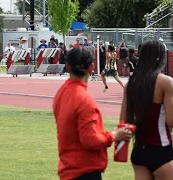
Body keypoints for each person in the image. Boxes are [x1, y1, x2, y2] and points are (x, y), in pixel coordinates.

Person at [53, 47, 133, 180]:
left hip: (67, 168)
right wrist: (114, 135)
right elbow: (91, 140)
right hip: (85, 171)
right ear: (91, 67)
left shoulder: (61, 93)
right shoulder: (84, 99)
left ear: (67, 67)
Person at [120, 40, 173, 180]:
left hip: (138, 151)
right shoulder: (165, 82)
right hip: (160, 150)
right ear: (160, 58)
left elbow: (123, 122)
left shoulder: (131, 84)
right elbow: (171, 120)